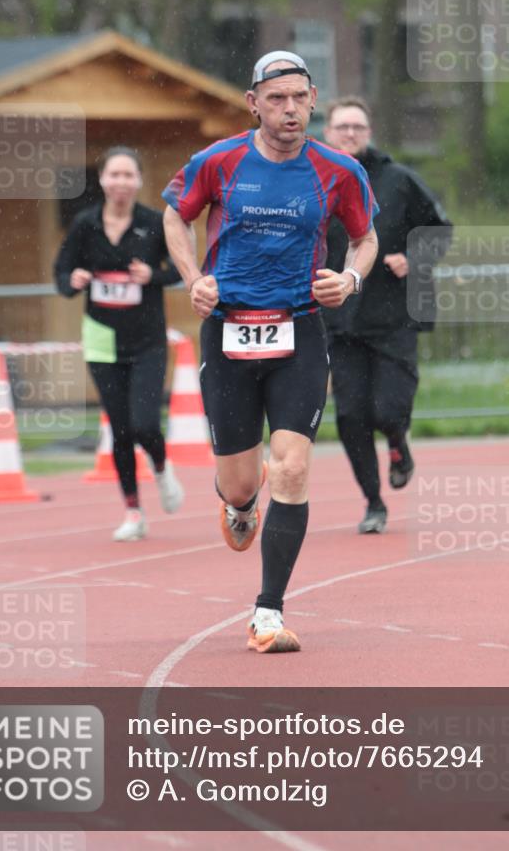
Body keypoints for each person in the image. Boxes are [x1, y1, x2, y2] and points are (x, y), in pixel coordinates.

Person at [162, 51, 378, 653]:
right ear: (253, 103)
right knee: (239, 484)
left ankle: (268, 611)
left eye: (299, 98)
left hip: (299, 331)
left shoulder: (338, 171)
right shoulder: (217, 161)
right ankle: (238, 503)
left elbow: (365, 238)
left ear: (314, 101)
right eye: (276, 98)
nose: (289, 109)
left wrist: (351, 279)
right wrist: (192, 278)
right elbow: (174, 217)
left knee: (292, 465)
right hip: (229, 331)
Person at [323, 96, 452, 534]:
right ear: (327, 133)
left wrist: (413, 257)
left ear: (369, 131)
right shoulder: (312, 180)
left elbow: (440, 230)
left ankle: (398, 443)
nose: (350, 134)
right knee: (350, 416)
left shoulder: (398, 180)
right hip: (339, 322)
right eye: (342, 127)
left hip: (393, 315)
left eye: (358, 126)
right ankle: (373, 502)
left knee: (389, 409)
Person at [54, 146, 184, 541]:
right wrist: (72, 281)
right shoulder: (85, 224)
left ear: (140, 181)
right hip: (101, 338)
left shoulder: (154, 223)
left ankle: (161, 469)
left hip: (146, 339)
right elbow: (62, 270)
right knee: (121, 429)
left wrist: (153, 276)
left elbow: (180, 269)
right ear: (103, 180)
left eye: (129, 175)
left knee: (145, 423)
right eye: (115, 175)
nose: (121, 182)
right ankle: (133, 510)